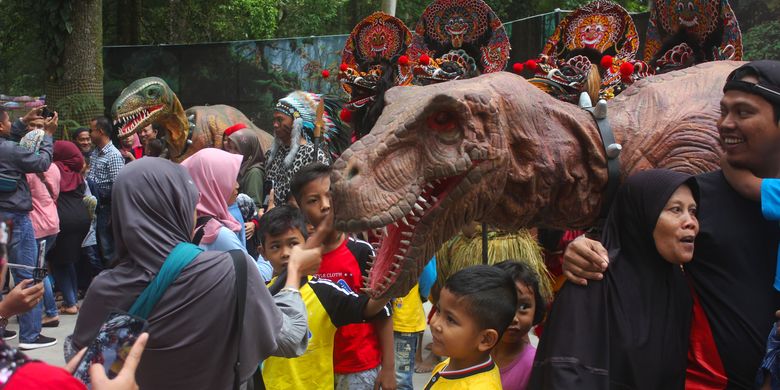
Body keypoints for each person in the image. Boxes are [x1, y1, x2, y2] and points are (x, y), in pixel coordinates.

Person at [561, 60, 780, 388]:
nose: (725, 124)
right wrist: (581, 251)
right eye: (723, 111)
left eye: (743, 113)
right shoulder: (691, 199)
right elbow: (626, 250)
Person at [67, 157, 316, 389]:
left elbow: (82, 366)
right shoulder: (232, 270)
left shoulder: (104, 289)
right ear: (179, 207)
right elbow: (291, 338)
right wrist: (293, 275)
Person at [532, 169, 699, 389]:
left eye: (693, 211)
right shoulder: (593, 276)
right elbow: (566, 373)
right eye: (676, 210)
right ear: (642, 215)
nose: (691, 222)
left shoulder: (678, 287)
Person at [258, 205, 392, 389]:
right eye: (275, 246)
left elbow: (368, 308)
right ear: (262, 252)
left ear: (307, 243)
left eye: (293, 244)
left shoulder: (325, 292)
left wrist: (392, 286)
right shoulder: (260, 296)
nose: (286, 253)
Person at [290, 163, 396, 390]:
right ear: (300, 207)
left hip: (359, 367)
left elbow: (383, 313)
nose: (325, 205)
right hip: (315, 366)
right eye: (313, 200)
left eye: (330, 196)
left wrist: (388, 368)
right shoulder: (300, 259)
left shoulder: (362, 252)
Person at [0, 106, 59, 350]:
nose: (11, 123)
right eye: (7, 120)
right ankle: (30, 335)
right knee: (28, 273)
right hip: (16, 218)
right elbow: (42, 162)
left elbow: (9, 145)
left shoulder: (7, 148)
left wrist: (23, 121)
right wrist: (47, 135)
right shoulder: (10, 150)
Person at [424, 265, 517, 389]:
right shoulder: (452, 362)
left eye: (450, 319)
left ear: (486, 339)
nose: (435, 324)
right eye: (438, 310)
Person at [47, 141, 91, 316]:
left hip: (62, 220)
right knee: (69, 260)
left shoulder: (52, 169)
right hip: (81, 219)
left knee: (58, 262)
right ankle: (71, 299)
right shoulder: (75, 173)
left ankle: (71, 303)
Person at [492, 260, 547, 390]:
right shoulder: (476, 351)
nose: (514, 318)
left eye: (523, 306)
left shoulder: (533, 364)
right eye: (504, 306)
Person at [266, 91, 330, 203]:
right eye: (274, 120)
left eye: (280, 120)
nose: (275, 124)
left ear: (296, 122)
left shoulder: (312, 154)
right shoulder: (270, 155)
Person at [180, 148, 246, 253]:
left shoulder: (183, 223)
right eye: (230, 179)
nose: (237, 185)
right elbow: (253, 269)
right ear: (212, 184)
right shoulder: (219, 235)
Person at [86, 116, 123, 266]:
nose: (89, 134)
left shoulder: (113, 155)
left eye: (91, 130)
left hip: (106, 208)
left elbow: (119, 185)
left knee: (107, 247)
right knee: (98, 246)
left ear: (100, 131)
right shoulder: (95, 152)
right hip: (95, 206)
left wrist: (114, 213)